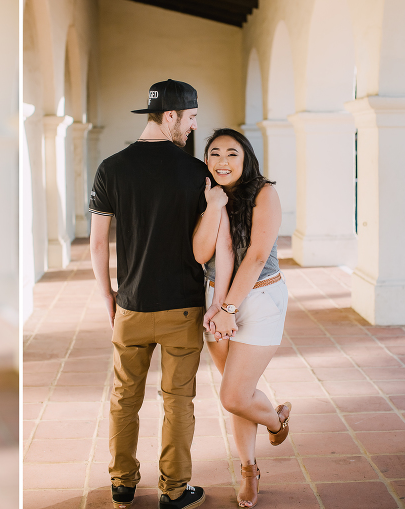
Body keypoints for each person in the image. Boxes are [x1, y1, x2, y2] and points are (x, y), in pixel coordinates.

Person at [89, 79, 227, 509]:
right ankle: (174, 489)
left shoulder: (111, 168)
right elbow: (206, 245)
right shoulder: (196, 172)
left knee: (124, 398)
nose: (193, 126)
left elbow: (97, 243)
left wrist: (109, 297)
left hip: (131, 304)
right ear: (170, 116)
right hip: (183, 307)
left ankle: (123, 484)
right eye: (190, 118)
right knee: (178, 403)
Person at [195, 128, 291, 508]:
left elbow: (254, 256)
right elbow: (201, 254)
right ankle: (249, 470)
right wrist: (212, 207)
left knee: (233, 394)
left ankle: (275, 421)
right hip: (216, 298)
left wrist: (228, 310)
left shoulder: (265, 193)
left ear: (246, 158)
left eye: (232, 153)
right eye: (214, 153)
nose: (222, 161)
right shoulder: (209, 196)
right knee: (239, 395)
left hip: (260, 298)